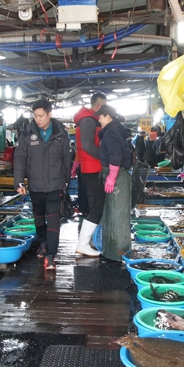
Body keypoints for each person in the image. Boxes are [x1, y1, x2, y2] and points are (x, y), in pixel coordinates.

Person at [14, 99, 72, 270]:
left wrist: (66, 181)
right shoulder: (27, 134)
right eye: (35, 116)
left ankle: (51, 254)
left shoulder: (61, 134)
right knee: (39, 218)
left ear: (49, 114)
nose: (37, 119)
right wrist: (18, 181)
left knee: (53, 220)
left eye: (41, 116)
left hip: (55, 185)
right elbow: (20, 159)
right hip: (35, 185)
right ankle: (42, 242)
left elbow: (67, 160)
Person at [95, 105, 132, 262]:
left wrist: (112, 176)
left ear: (108, 116)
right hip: (116, 177)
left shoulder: (110, 133)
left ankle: (118, 253)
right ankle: (111, 251)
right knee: (111, 214)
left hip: (117, 179)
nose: (98, 119)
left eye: (100, 116)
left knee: (117, 216)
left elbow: (115, 154)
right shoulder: (115, 131)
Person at [72, 92, 107, 256]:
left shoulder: (88, 120)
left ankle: (87, 242)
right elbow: (87, 145)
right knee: (96, 209)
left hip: (92, 169)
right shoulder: (87, 121)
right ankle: (83, 244)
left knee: (96, 207)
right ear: (99, 106)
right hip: (91, 170)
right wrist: (104, 156)